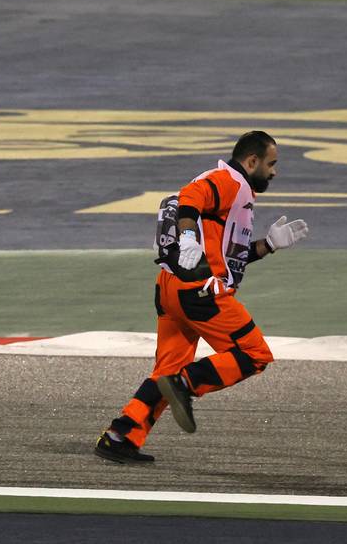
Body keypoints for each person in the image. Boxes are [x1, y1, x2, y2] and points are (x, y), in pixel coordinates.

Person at [95, 130, 309, 464]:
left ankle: (120, 435)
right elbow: (188, 197)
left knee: (166, 369)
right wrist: (189, 236)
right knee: (254, 354)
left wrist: (268, 246)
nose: (274, 172)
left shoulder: (235, 192)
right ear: (251, 161)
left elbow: (227, 255)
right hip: (199, 290)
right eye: (271, 164)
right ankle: (185, 384)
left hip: (171, 286)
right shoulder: (229, 182)